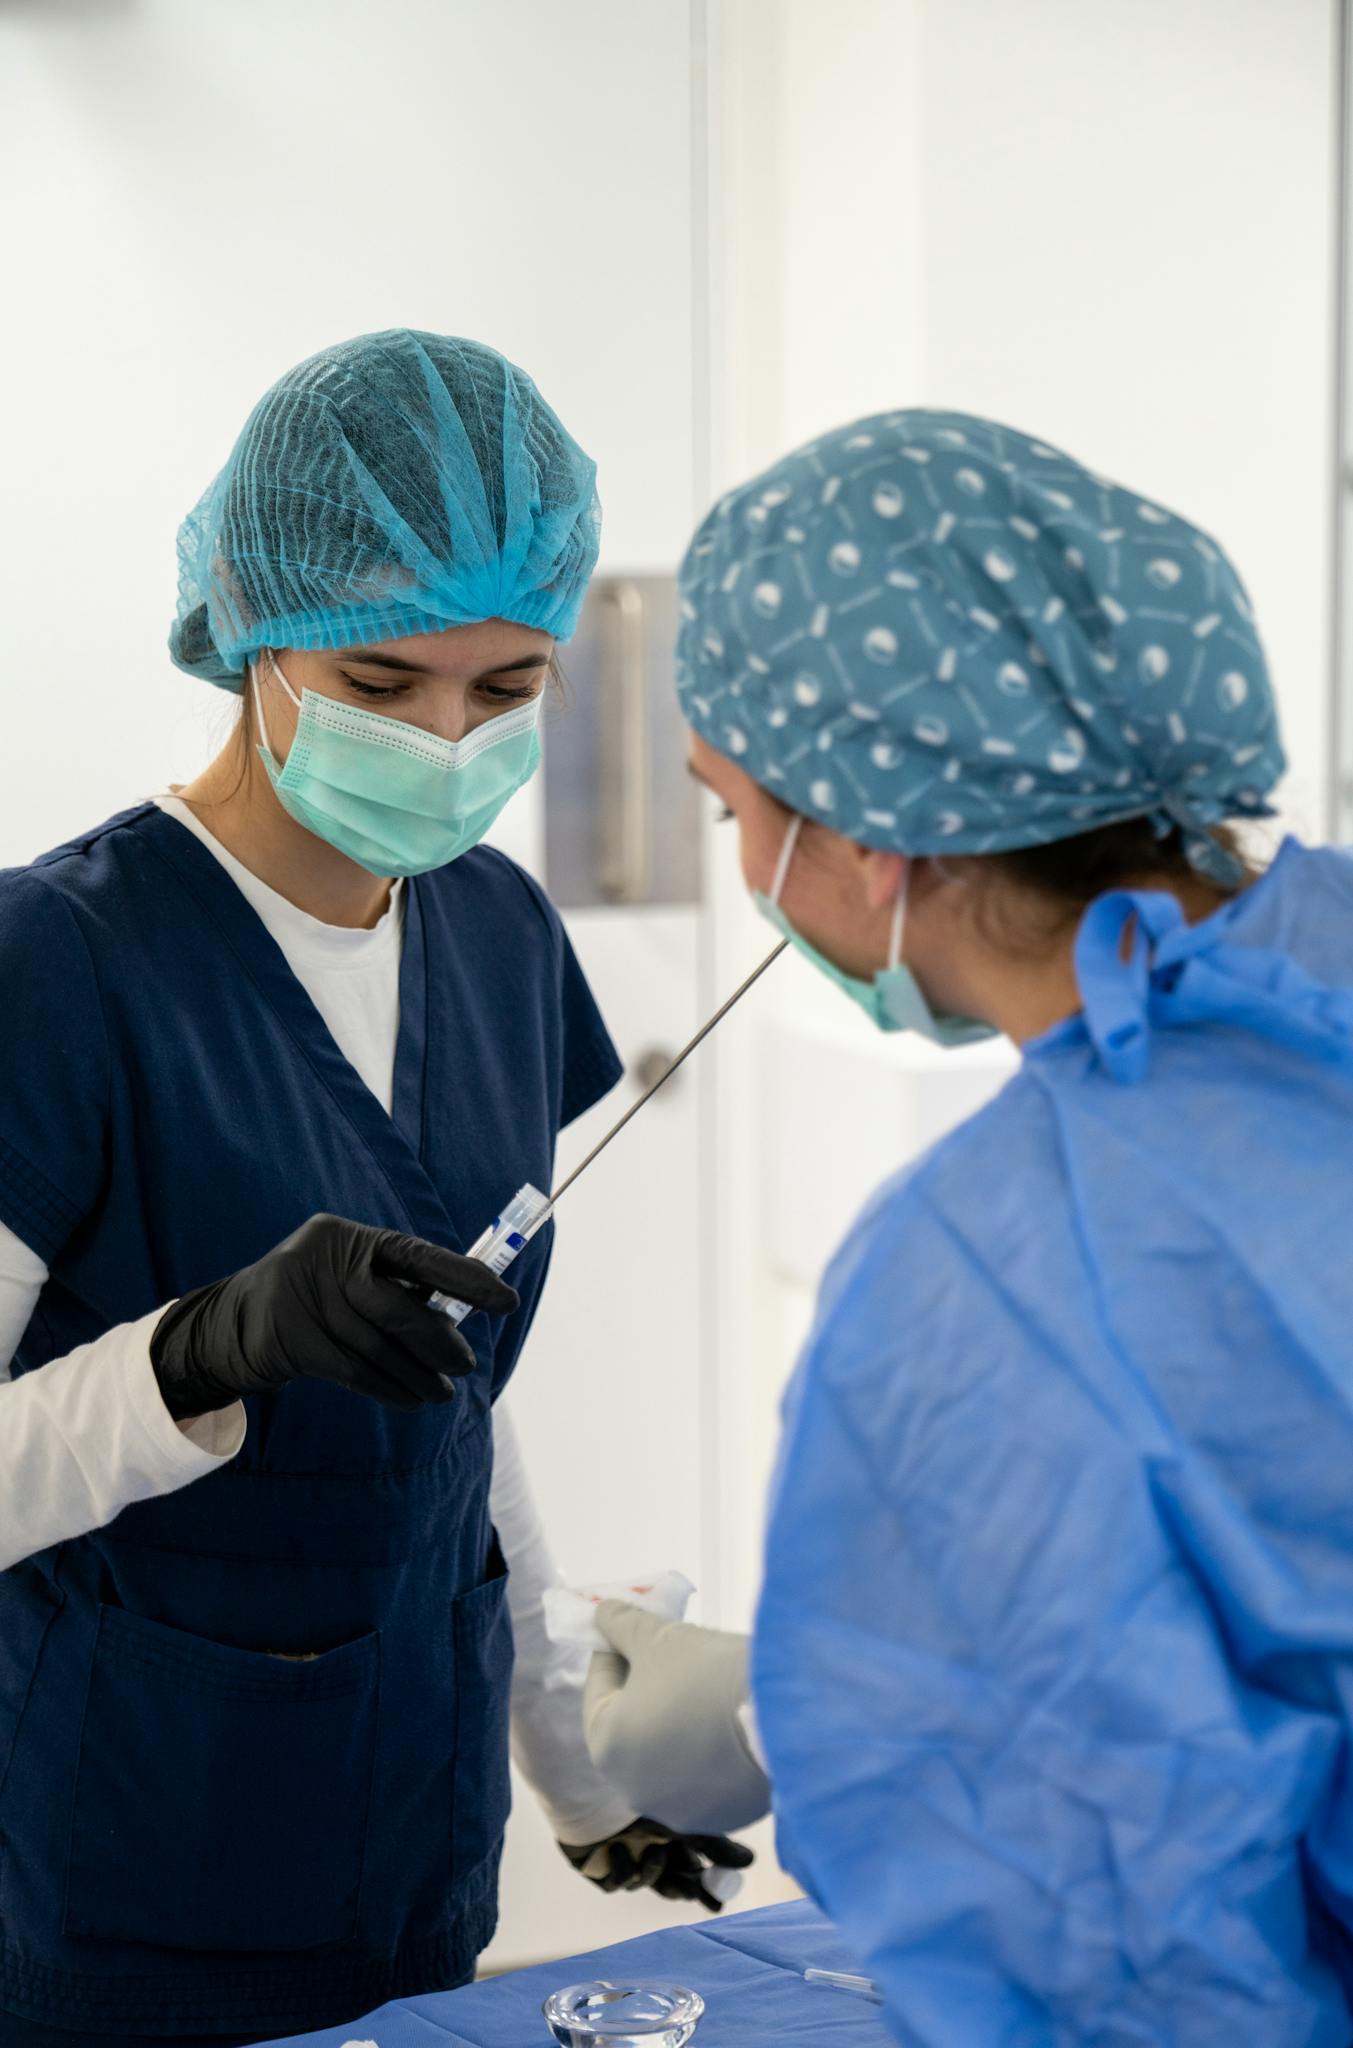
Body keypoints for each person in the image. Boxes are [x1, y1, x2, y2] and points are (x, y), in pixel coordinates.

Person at [0, 329, 747, 2048]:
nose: (445, 740)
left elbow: (454, 1407)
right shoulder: (57, 962)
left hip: (413, 1842)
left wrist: (576, 1767)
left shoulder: (497, 932)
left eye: (506, 690)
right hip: (132, 1859)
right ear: (252, 634)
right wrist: (194, 1352)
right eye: (383, 682)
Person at [582, 407, 1353, 2042]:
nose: (744, 866)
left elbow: (1103, 1923)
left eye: (730, 812)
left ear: (863, 837)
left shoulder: (990, 1276)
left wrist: (798, 1717)